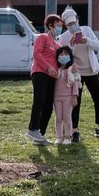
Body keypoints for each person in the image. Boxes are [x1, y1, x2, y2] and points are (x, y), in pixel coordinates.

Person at [57, 6, 99, 140]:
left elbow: (97, 45)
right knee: (76, 101)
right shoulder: (64, 37)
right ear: (65, 24)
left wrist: (86, 41)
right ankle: (74, 130)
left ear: (77, 20)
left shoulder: (86, 30)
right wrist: (71, 45)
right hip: (77, 73)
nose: (72, 26)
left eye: (74, 22)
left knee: (98, 98)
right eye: (69, 24)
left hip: (90, 71)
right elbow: (63, 57)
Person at [26, 13, 62, 145]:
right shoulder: (42, 37)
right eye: (58, 26)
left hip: (52, 76)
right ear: (50, 25)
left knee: (48, 105)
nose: (60, 28)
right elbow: (36, 54)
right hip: (40, 73)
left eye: (61, 26)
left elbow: (62, 59)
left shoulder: (56, 44)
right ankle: (32, 128)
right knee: (39, 100)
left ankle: (40, 135)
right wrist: (48, 67)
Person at [52, 45, 82, 145]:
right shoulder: (56, 70)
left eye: (66, 54)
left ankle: (68, 137)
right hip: (57, 98)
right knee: (58, 118)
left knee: (67, 117)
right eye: (61, 54)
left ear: (70, 56)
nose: (63, 56)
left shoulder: (72, 70)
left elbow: (75, 84)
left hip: (68, 98)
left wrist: (74, 96)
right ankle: (59, 137)